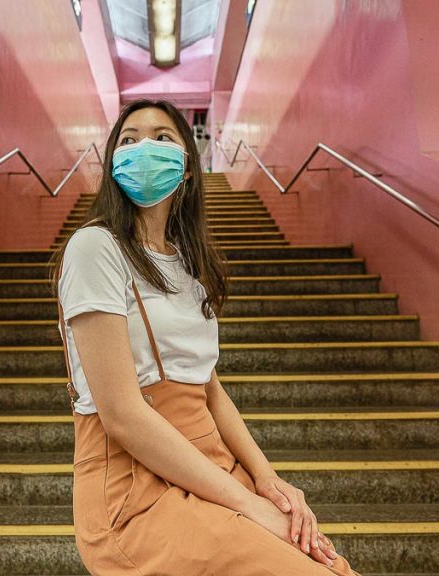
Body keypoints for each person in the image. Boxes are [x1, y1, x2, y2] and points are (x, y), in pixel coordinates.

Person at [48, 99, 361, 575]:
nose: (144, 148)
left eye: (162, 137)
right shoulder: (95, 248)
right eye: (128, 140)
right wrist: (250, 507)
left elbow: (209, 388)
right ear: (112, 163)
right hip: (137, 487)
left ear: (188, 168)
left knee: (330, 565)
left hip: (210, 466)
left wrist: (268, 481)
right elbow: (123, 417)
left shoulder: (188, 265)